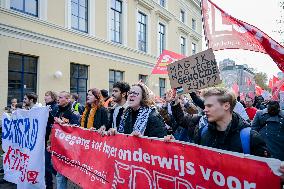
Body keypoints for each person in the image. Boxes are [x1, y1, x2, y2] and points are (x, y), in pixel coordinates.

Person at [166, 87, 269, 157]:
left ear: (226, 106)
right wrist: (175, 143)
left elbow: (266, 174)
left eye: (210, 106)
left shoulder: (250, 138)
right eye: (205, 106)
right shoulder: (202, 131)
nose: (205, 109)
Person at [54, 91, 80, 189]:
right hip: (60, 147)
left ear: (68, 99)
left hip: (70, 149)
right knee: (60, 175)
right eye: (58, 97)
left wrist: (62, 123)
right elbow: (55, 129)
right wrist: (50, 143)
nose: (58, 99)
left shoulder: (73, 112)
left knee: (73, 176)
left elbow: (76, 130)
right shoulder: (58, 110)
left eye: (61, 97)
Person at [44, 91, 58, 189]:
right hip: (44, 138)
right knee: (46, 163)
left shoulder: (55, 107)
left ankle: (58, 176)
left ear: (53, 97)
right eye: (45, 95)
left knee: (47, 163)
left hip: (50, 139)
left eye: (47, 95)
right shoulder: (45, 107)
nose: (45, 97)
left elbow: (54, 122)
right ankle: (49, 183)